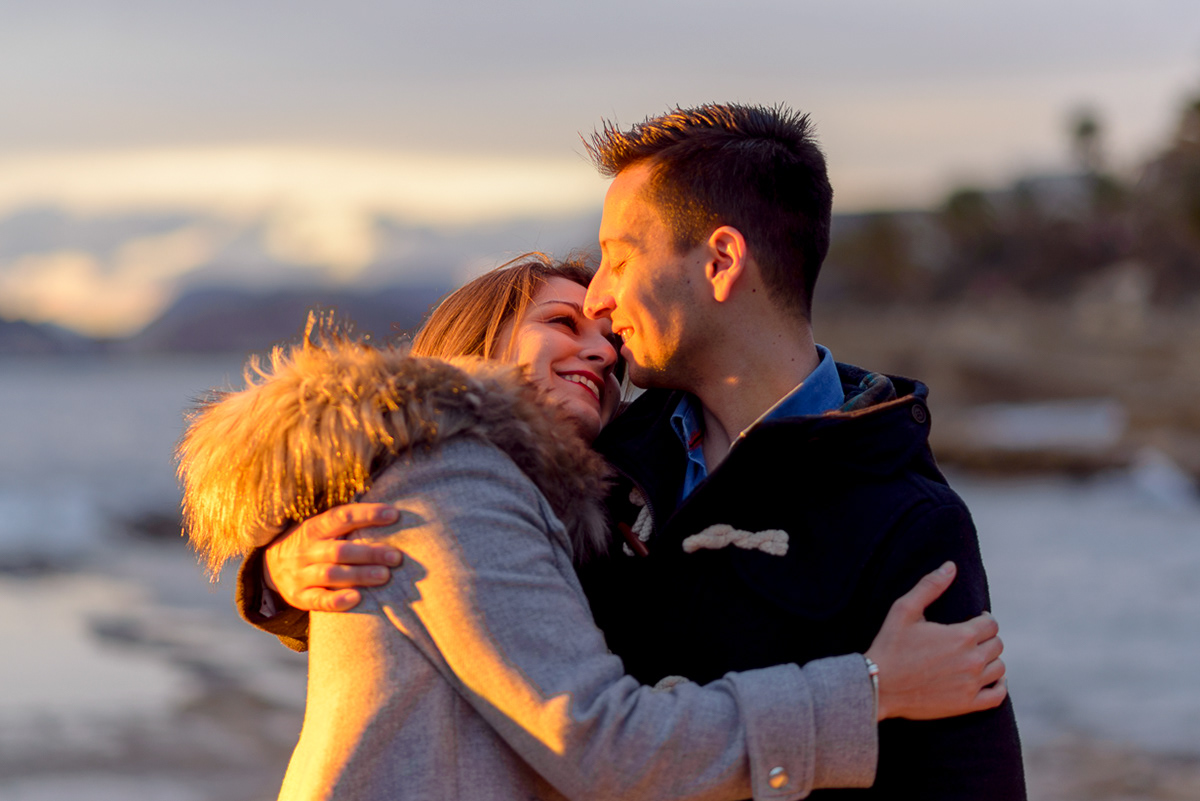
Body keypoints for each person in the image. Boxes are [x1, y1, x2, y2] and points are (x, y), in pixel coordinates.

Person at [259, 104, 1027, 799]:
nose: (599, 302)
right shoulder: (597, 466)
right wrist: (289, 567)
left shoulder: (902, 513)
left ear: (721, 262)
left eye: (619, 259)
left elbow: (965, 779)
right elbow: (455, 601)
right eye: (569, 314)